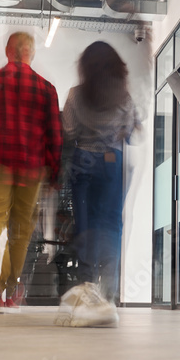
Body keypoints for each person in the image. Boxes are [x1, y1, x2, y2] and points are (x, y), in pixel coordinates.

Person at [0, 32, 62, 314]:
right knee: (20, 229)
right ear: (31, 53)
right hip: (30, 167)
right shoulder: (46, 89)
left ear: (8, 51)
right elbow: (55, 135)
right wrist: (54, 168)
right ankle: (9, 293)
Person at [59, 41, 141, 327]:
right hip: (112, 165)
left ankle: (86, 293)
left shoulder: (75, 95)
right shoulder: (124, 96)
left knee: (86, 226)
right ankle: (108, 297)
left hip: (83, 163)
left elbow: (67, 133)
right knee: (111, 227)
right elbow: (130, 131)